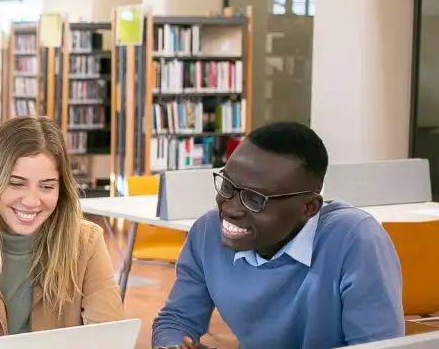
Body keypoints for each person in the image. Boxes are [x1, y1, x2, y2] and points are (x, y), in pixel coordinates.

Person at [152, 121, 405, 349]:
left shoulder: (355, 240)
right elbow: (177, 320)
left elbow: (376, 346)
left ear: (308, 208)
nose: (230, 208)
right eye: (227, 185)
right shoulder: (207, 232)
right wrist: (173, 346)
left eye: (255, 198)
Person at [0, 116, 126, 348]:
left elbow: (110, 341)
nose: (31, 201)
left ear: (61, 189)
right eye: (16, 183)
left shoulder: (87, 243)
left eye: (47, 186)